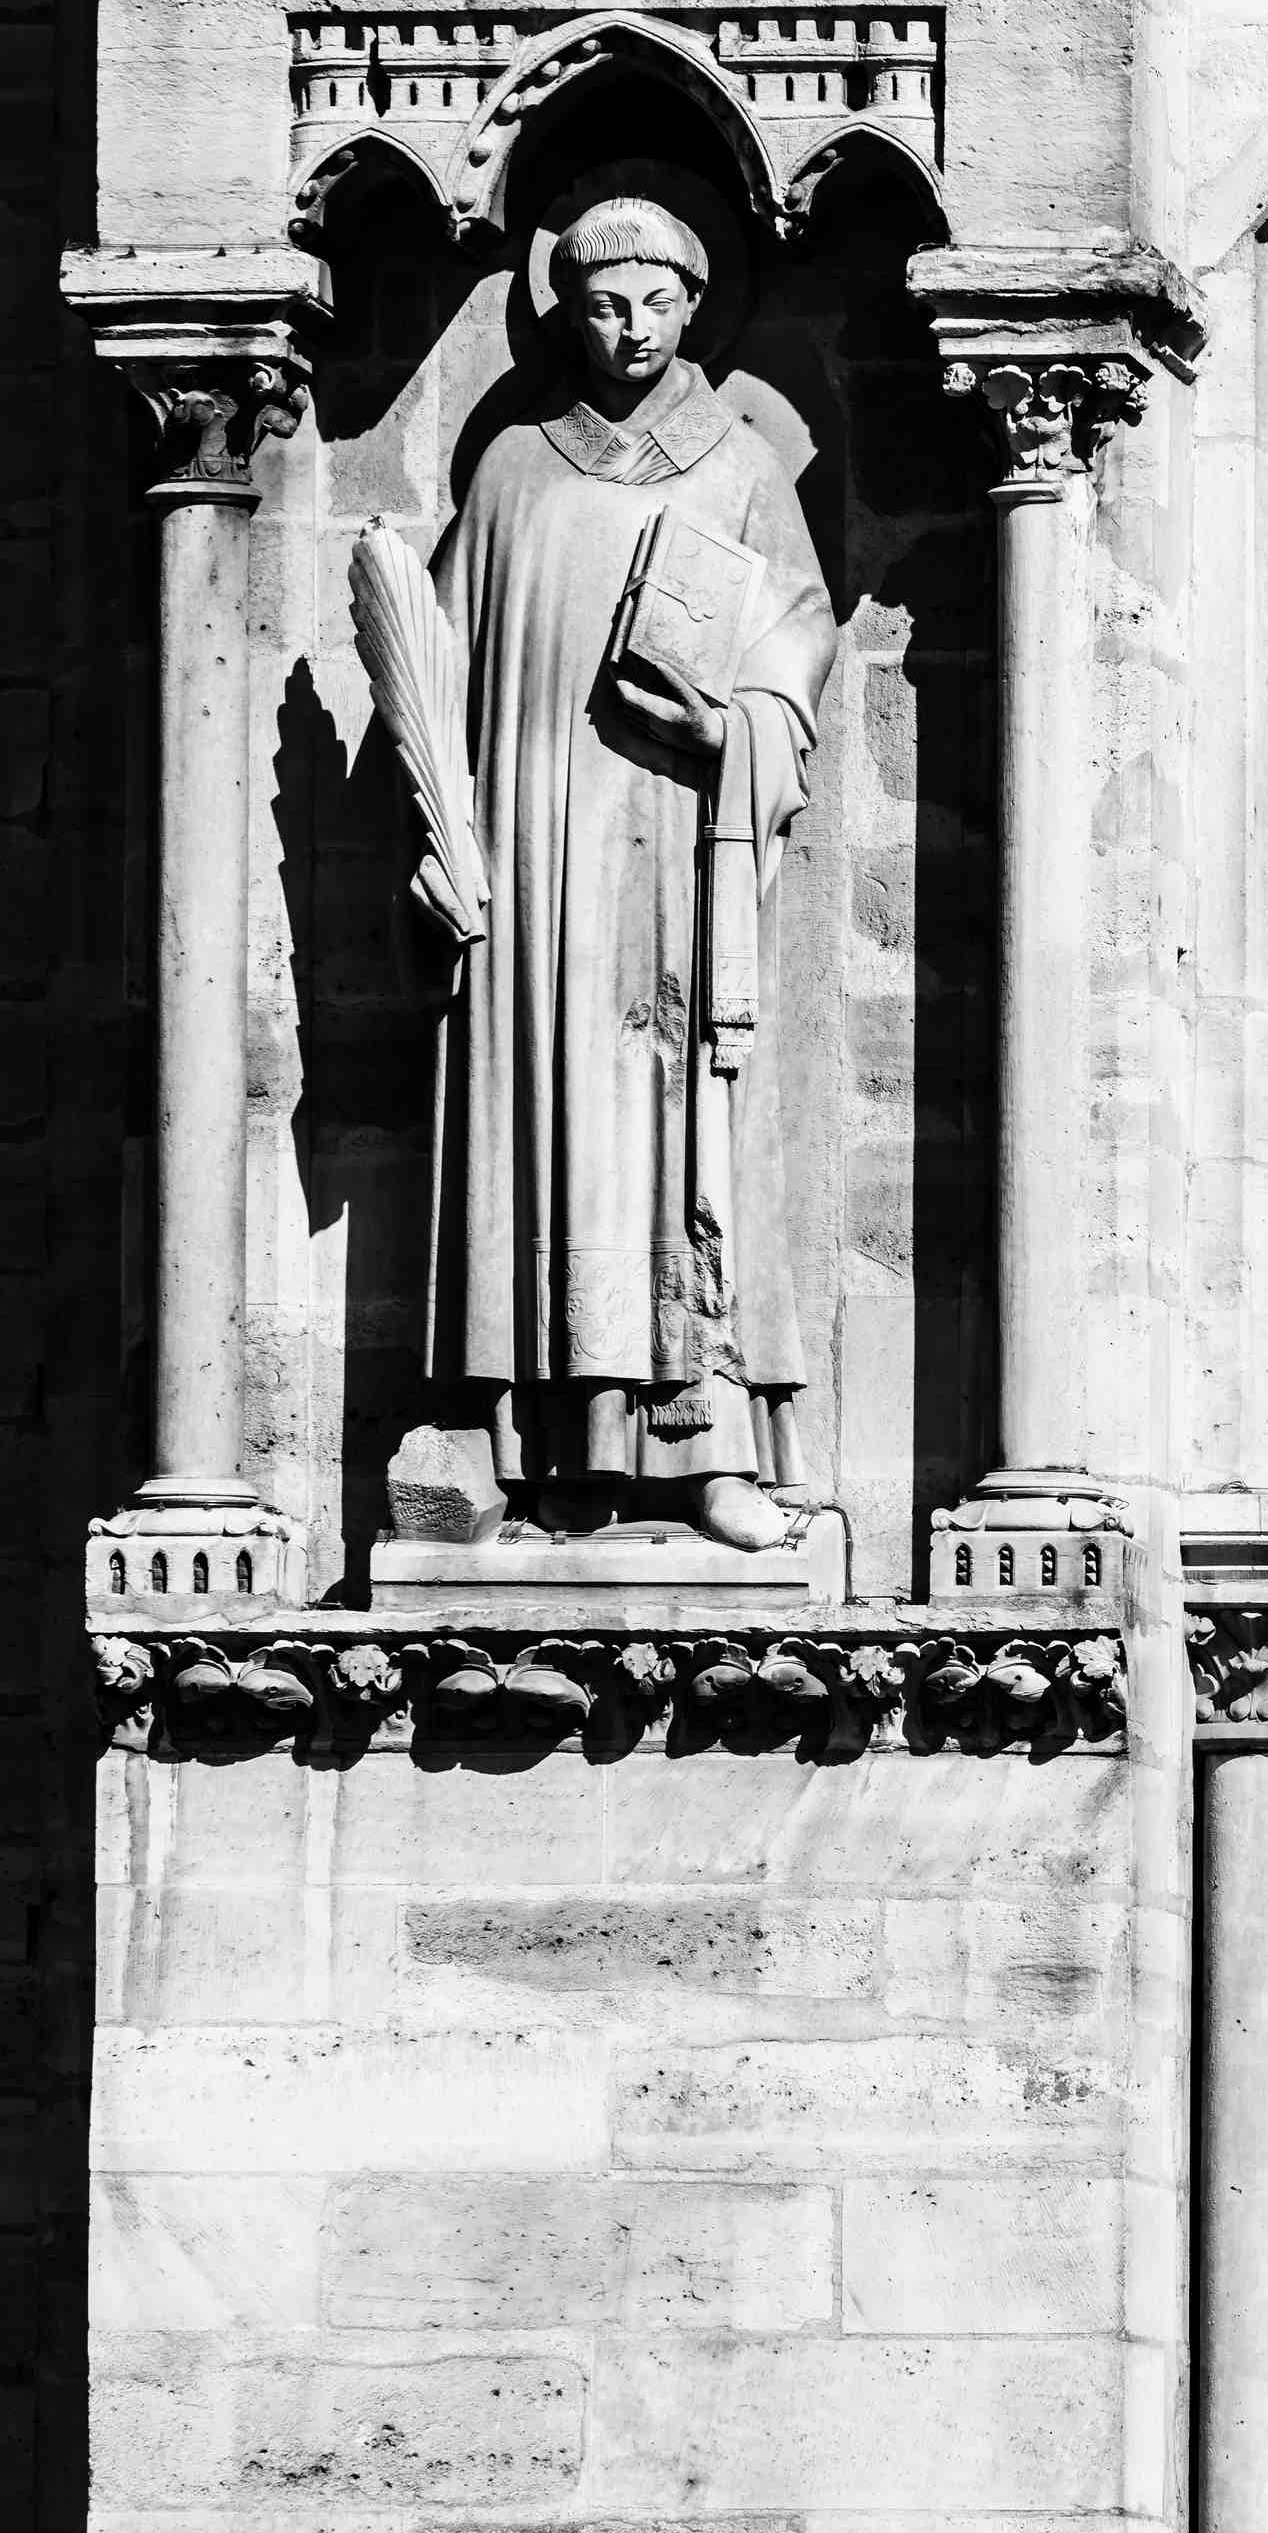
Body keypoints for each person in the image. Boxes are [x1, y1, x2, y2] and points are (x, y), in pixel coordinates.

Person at [415, 190, 837, 1546]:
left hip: (684, 861)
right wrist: (447, 837)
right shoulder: (514, 473)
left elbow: (798, 644)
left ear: (697, 305)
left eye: (657, 301)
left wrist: (732, 732)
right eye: (605, 303)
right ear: (567, 311)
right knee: (554, 1129)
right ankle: (557, 1452)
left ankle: (709, 1456)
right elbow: (444, 669)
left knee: (686, 1137)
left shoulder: (740, 468)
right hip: (544, 874)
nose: (632, 328)